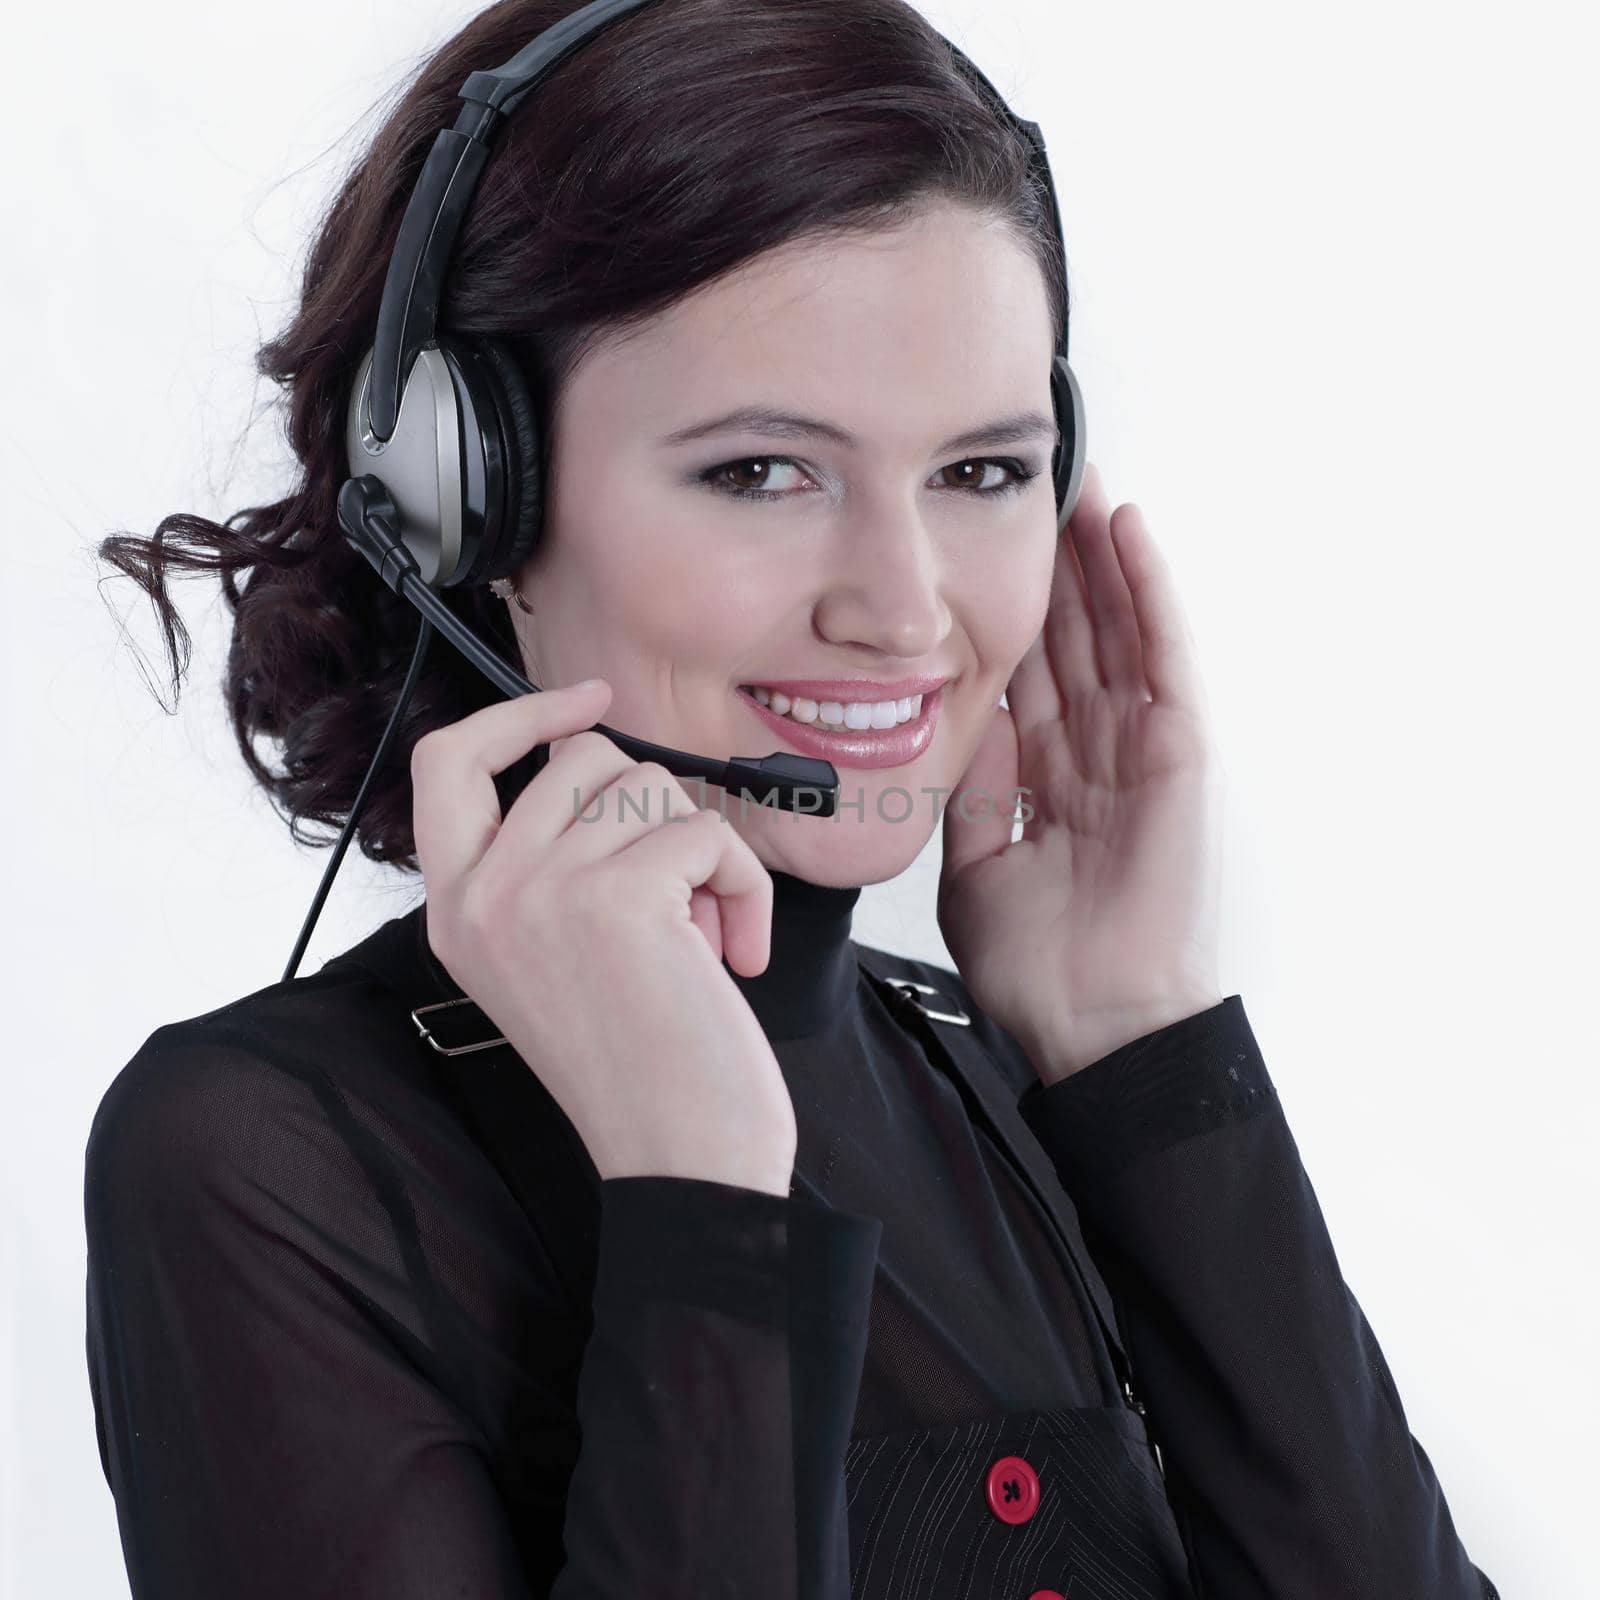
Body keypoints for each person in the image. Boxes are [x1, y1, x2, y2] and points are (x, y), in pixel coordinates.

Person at [84, 2, 1500, 1597]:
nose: (904, 611)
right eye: (764, 472)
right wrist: (694, 1191)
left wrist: (1139, 1046)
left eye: (979, 473)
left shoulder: (1021, 1087)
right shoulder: (273, 1159)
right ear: (469, 504)